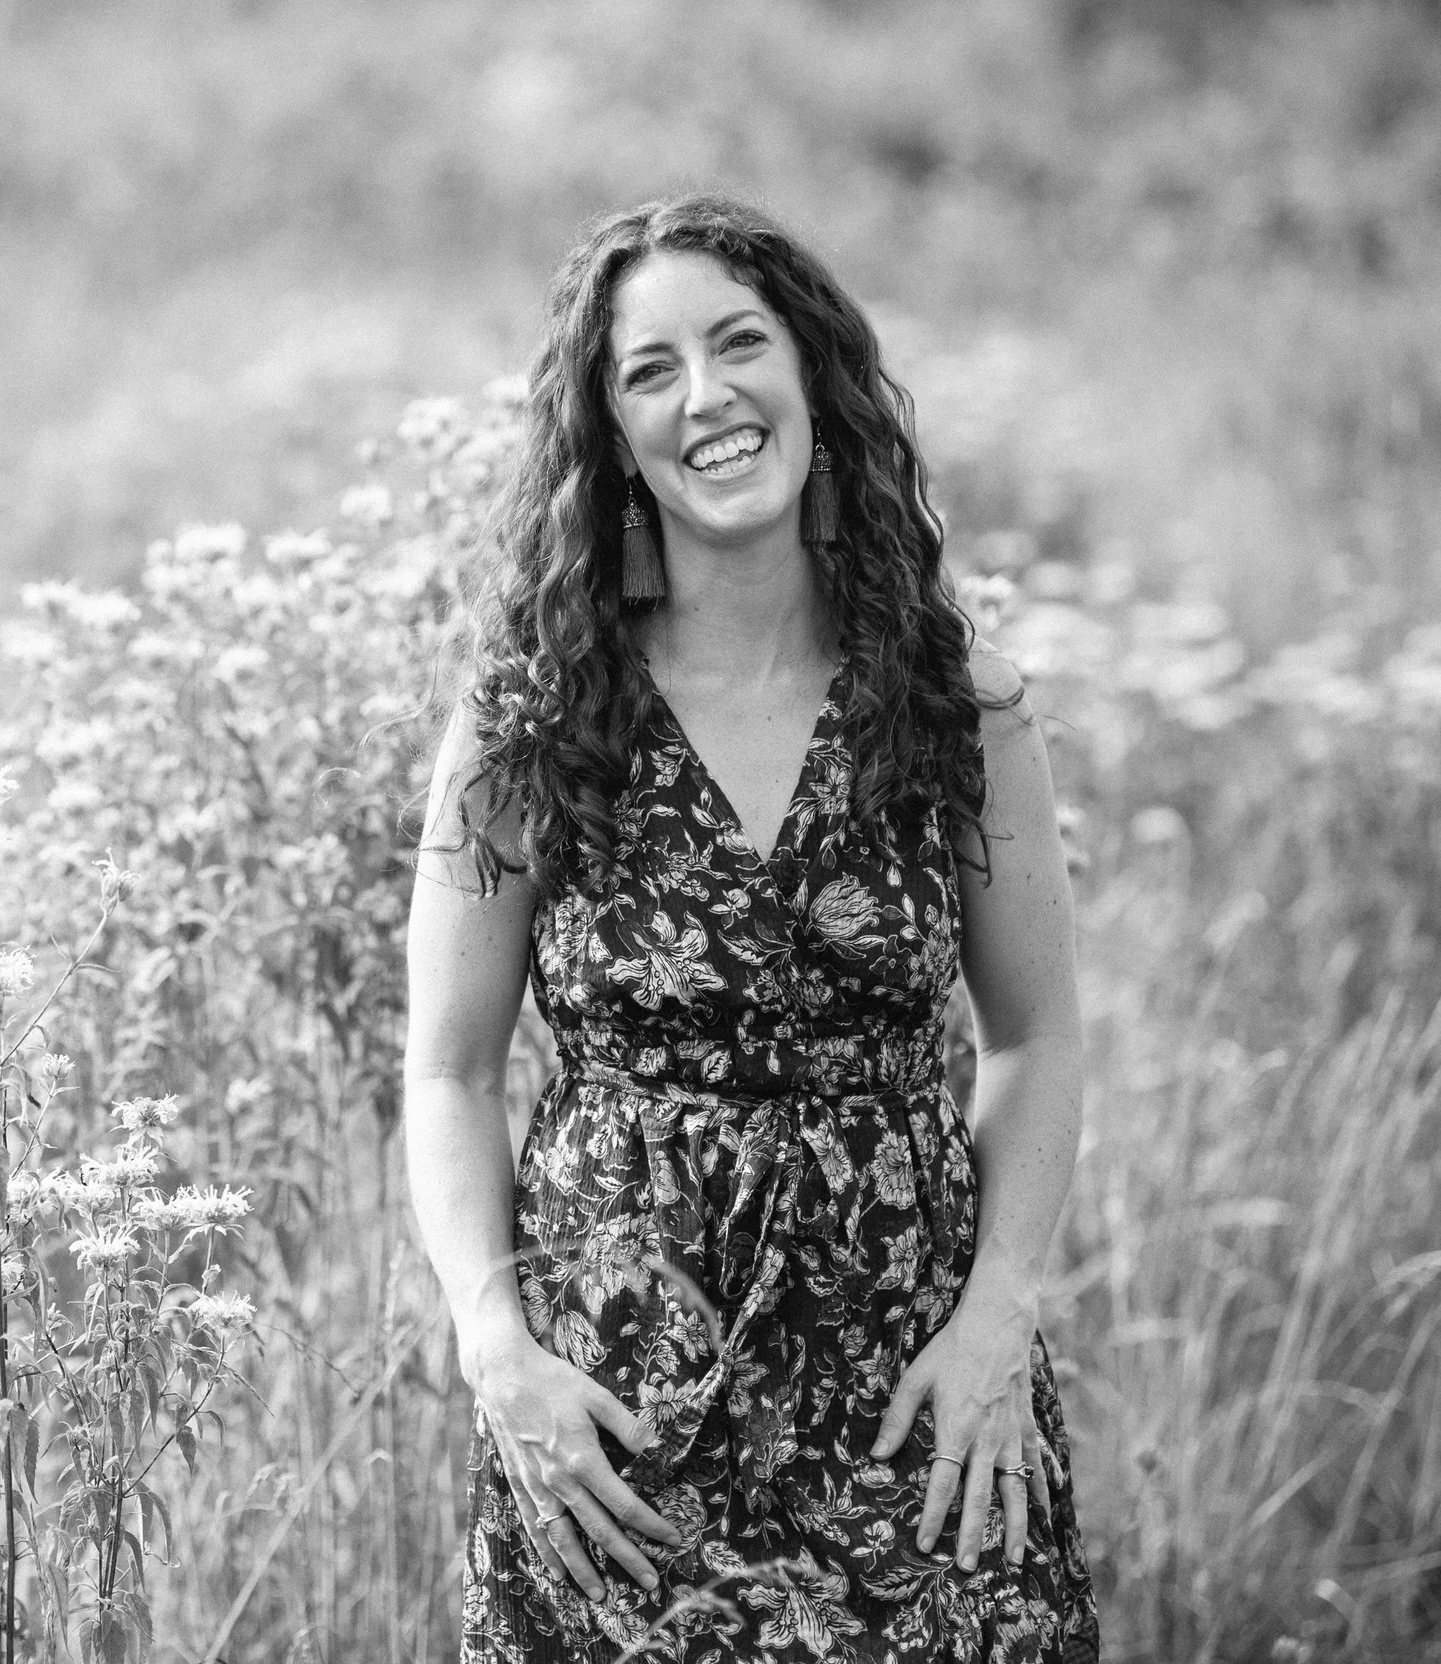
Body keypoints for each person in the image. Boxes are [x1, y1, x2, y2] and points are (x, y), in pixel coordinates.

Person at [403, 193, 1103, 1662]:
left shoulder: (952, 699)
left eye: (739, 344)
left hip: (918, 1390)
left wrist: (996, 1323)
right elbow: (450, 1072)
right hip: (616, 1420)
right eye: (651, 370)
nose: (705, 396)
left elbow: (1034, 1034)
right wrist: (493, 1347)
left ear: (814, 377)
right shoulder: (534, 716)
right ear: (611, 434)